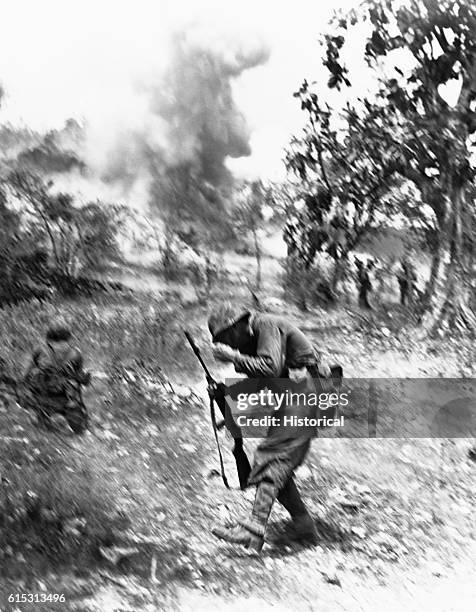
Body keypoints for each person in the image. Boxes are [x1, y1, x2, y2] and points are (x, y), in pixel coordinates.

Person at [207, 302, 331, 552]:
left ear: (239, 324)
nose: (229, 345)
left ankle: (254, 528)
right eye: (223, 341)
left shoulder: (266, 325)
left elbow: (270, 368)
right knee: (278, 466)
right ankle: (304, 525)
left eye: (228, 337)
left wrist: (233, 357)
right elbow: (265, 381)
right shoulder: (256, 337)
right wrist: (225, 394)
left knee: (272, 456)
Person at [21, 321, 91, 434]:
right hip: (49, 394)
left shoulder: (74, 354)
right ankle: (47, 415)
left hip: (55, 395)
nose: (59, 348)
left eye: (62, 344)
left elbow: (25, 375)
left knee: (77, 425)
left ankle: (49, 415)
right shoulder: (41, 351)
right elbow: (26, 374)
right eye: (57, 344)